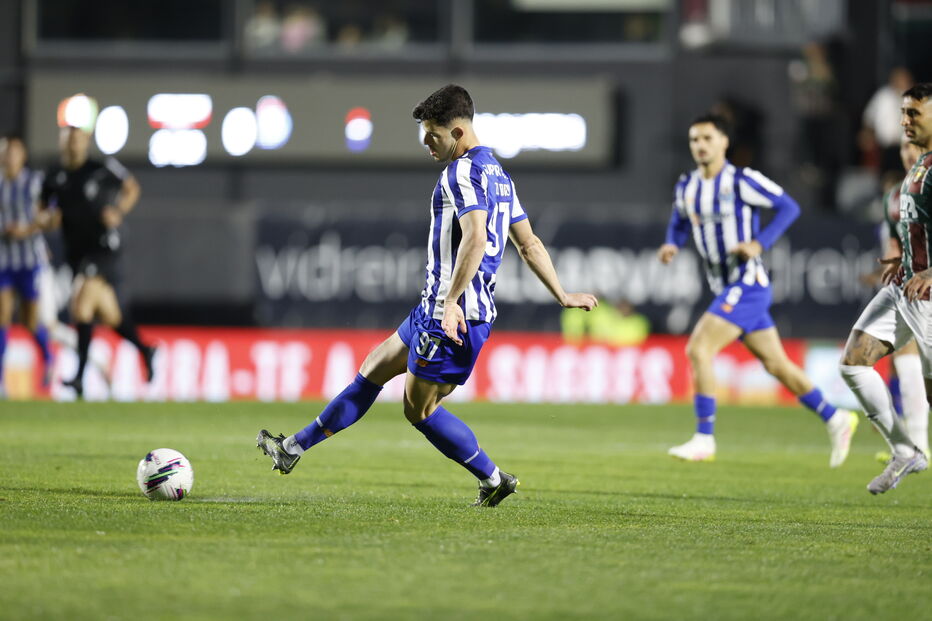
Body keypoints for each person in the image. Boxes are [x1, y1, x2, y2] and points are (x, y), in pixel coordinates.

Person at [258, 84, 597, 507]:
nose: (426, 144)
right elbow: (528, 244)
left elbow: (474, 238)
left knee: (418, 411)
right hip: (435, 309)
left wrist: (452, 301)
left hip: (453, 313)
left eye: (432, 136)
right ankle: (292, 449)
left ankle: (493, 478)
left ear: (457, 132)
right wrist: (561, 293)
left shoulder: (460, 173)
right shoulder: (499, 175)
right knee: (372, 368)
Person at [658, 113, 858, 466]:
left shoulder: (740, 180)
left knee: (698, 349)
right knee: (777, 365)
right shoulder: (687, 186)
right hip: (724, 286)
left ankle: (705, 438)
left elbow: (788, 207)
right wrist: (672, 244)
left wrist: (759, 243)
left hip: (747, 284)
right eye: (694, 140)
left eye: (707, 138)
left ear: (724, 142)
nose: (700, 145)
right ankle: (837, 417)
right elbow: (677, 222)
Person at [839, 83, 932, 494]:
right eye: (903, 113)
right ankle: (904, 450)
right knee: (854, 360)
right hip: (905, 287)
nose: (904, 121)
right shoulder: (917, 167)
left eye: (914, 113)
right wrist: (905, 258)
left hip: (929, 295)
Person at [39, 124, 155, 398]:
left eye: (77, 139)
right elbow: (42, 212)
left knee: (80, 307)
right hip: (76, 252)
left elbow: (131, 187)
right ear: (61, 142)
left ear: (86, 141)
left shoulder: (100, 168)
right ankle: (145, 349)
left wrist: (118, 211)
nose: (73, 144)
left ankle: (79, 376)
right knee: (110, 315)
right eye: (68, 140)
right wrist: (47, 220)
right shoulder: (54, 175)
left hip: (103, 248)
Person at [864, 136, 928, 464]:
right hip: (916, 288)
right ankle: (915, 442)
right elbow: (896, 245)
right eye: (903, 148)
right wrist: (888, 269)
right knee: (904, 352)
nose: (908, 153)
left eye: (913, 146)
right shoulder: (894, 196)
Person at [0, 134, 53, 394]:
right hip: (3, 261)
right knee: (1, 316)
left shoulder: (34, 183)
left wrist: (28, 228)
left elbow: (50, 216)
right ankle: (0, 380)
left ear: (22, 156)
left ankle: (47, 356)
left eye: (13, 151)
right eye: (5, 151)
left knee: (29, 321)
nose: (8, 156)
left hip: (29, 260)